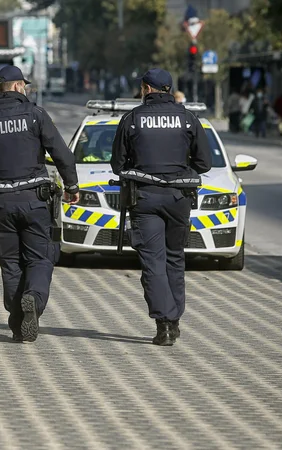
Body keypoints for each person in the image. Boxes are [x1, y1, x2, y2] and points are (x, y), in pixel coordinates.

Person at [0, 66, 80, 342]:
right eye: (25, 85)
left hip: (1, 202)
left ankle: (17, 320)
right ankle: (33, 298)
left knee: (10, 263)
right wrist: (72, 186)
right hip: (34, 199)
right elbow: (61, 153)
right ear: (19, 86)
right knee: (41, 257)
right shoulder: (36, 115)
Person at [111, 68, 212, 346]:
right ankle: (175, 319)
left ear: (146, 89)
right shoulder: (188, 119)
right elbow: (205, 163)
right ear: (168, 89)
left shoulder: (132, 119)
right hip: (179, 199)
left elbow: (117, 165)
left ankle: (164, 325)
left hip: (145, 199)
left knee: (153, 263)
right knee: (175, 259)